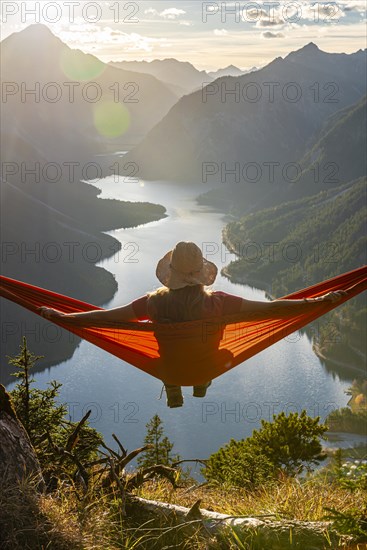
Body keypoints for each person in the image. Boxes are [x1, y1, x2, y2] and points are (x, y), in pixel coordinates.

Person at [38, 241, 347, 408]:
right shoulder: (220, 302)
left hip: (168, 370)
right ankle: (201, 384)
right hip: (209, 367)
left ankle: (173, 387)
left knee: (163, 358)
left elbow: (106, 317)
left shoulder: (153, 303)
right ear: (201, 273)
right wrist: (317, 301)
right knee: (224, 353)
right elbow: (271, 309)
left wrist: (65, 317)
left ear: (171, 273)